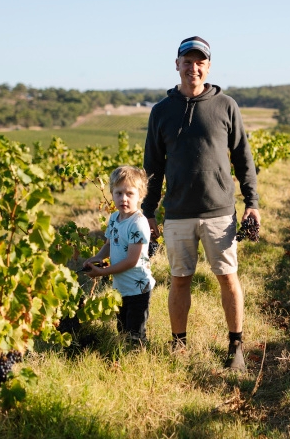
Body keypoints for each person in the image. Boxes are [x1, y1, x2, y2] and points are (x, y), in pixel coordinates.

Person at [143, 36, 260, 371]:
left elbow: (243, 158)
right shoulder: (161, 112)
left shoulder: (226, 106)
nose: (193, 67)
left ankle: (235, 346)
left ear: (208, 67)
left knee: (228, 277)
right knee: (180, 279)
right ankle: (179, 344)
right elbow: (153, 166)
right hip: (177, 212)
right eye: (187, 61)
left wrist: (252, 202)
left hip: (219, 211)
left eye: (200, 62)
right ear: (176, 65)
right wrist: (148, 212)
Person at [84, 166, 157, 344]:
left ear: (141, 196)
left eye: (130, 194)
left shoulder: (138, 223)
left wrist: (102, 272)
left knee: (135, 333)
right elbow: (109, 244)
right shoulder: (115, 218)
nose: (123, 198)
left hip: (138, 287)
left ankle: (138, 361)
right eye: (118, 193)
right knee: (122, 329)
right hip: (121, 286)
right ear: (112, 193)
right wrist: (97, 258)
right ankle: (124, 355)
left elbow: (132, 261)